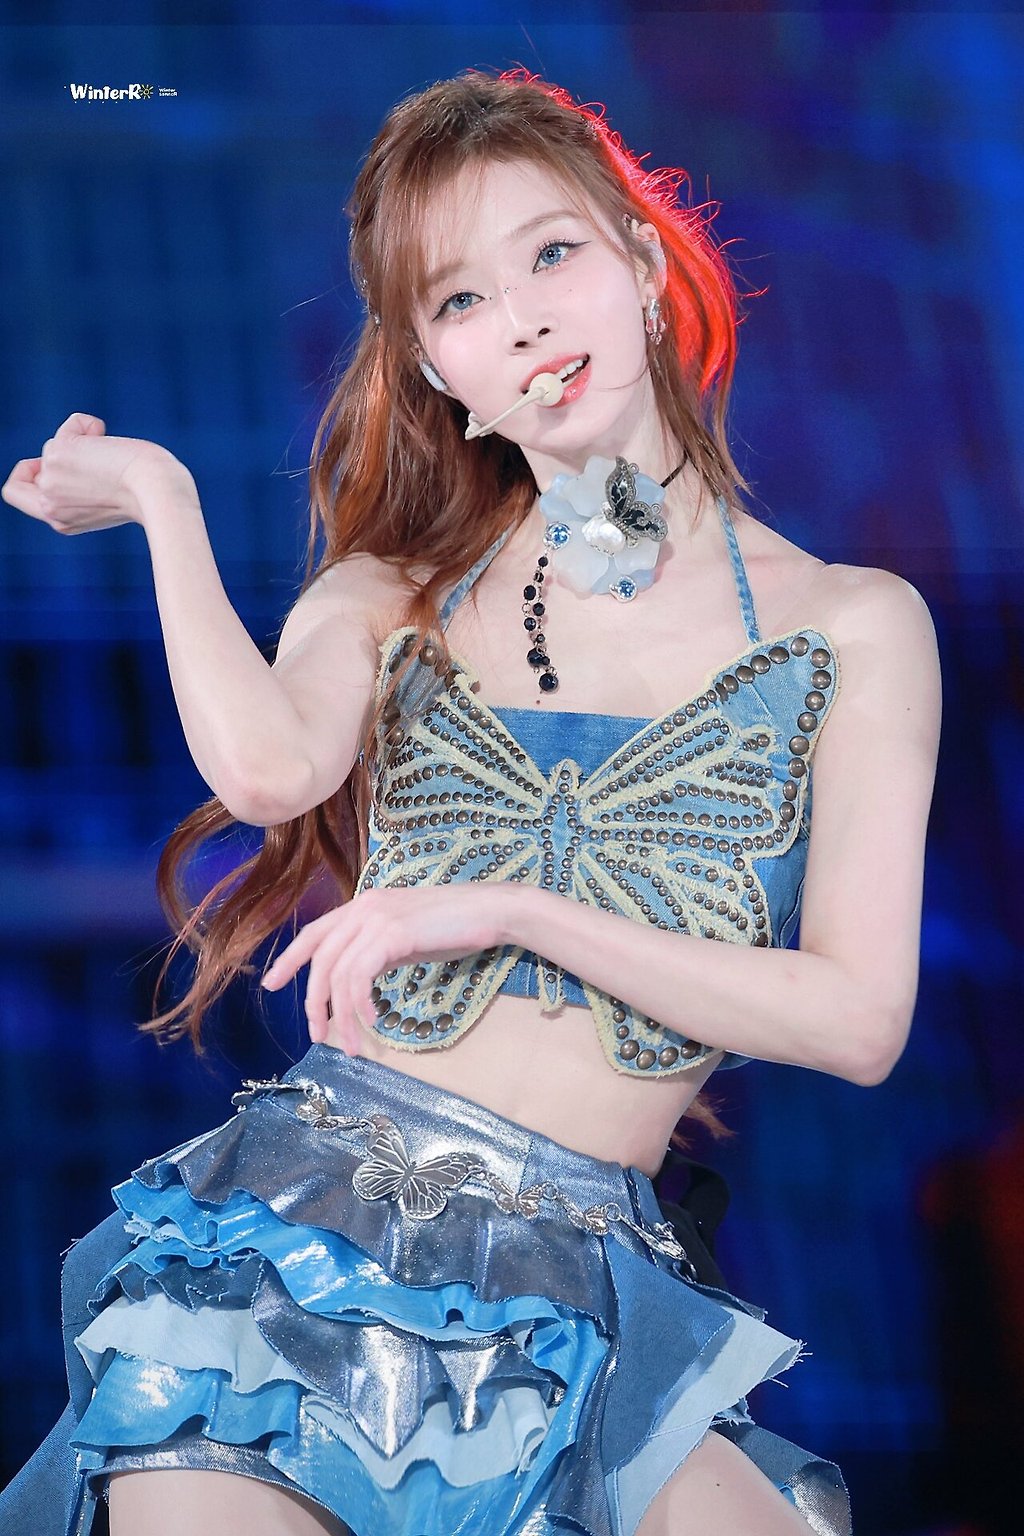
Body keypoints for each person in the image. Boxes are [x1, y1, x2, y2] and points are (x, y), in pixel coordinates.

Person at [0, 68, 941, 1536]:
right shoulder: (392, 596)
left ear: (644, 264)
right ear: (436, 368)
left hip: (599, 1294)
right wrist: (165, 507)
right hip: (306, 1251)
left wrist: (515, 908)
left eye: (553, 253)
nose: (525, 322)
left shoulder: (853, 624)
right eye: (460, 301)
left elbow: (859, 1020)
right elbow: (266, 772)